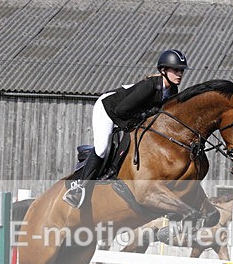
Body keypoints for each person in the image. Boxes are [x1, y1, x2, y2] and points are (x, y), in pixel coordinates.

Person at [63, 49, 189, 208]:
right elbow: (121, 111)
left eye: (181, 70)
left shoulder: (172, 90)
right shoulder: (149, 86)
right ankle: (79, 187)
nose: (179, 74)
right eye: (176, 70)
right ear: (163, 70)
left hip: (128, 113)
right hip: (108, 108)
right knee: (102, 148)